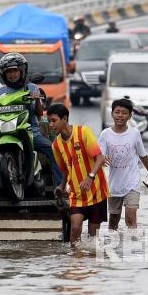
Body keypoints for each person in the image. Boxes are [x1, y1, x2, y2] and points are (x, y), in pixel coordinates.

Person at [0, 52, 62, 200]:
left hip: (30, 131)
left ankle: (59, 186)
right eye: (8, 72)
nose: (12, 74)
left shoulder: (32, 87)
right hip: (4, 131)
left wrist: (37, 99)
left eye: (15, 71)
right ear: (3, 74)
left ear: (22, 71)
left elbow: (39, 113)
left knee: (52, 149)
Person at [47, 103, 108, 246]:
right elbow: (66, 169)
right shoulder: (56, 145)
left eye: (54, 121)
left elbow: (100, 158)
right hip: (76, 193)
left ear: (65, 119)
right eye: (49, 121)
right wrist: (61, 186)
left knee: (93, 236)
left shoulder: (83, 132)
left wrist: (90, 177)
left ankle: (90, 264)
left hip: (96, 191)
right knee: (75, 228)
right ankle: (74, 263)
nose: (51, 125)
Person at [98, 98, 148, 231]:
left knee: (130, 219)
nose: (120, 115)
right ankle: (115, 247)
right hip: (114, 185)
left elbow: (143, 155)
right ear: (112, 114)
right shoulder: (105, 134)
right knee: (113, 223)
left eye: (124, 113)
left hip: (132, 182)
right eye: (117, 112)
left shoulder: (134, 133)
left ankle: (132, 247)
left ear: (130, 116)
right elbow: (99, 157)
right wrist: (102, 159)